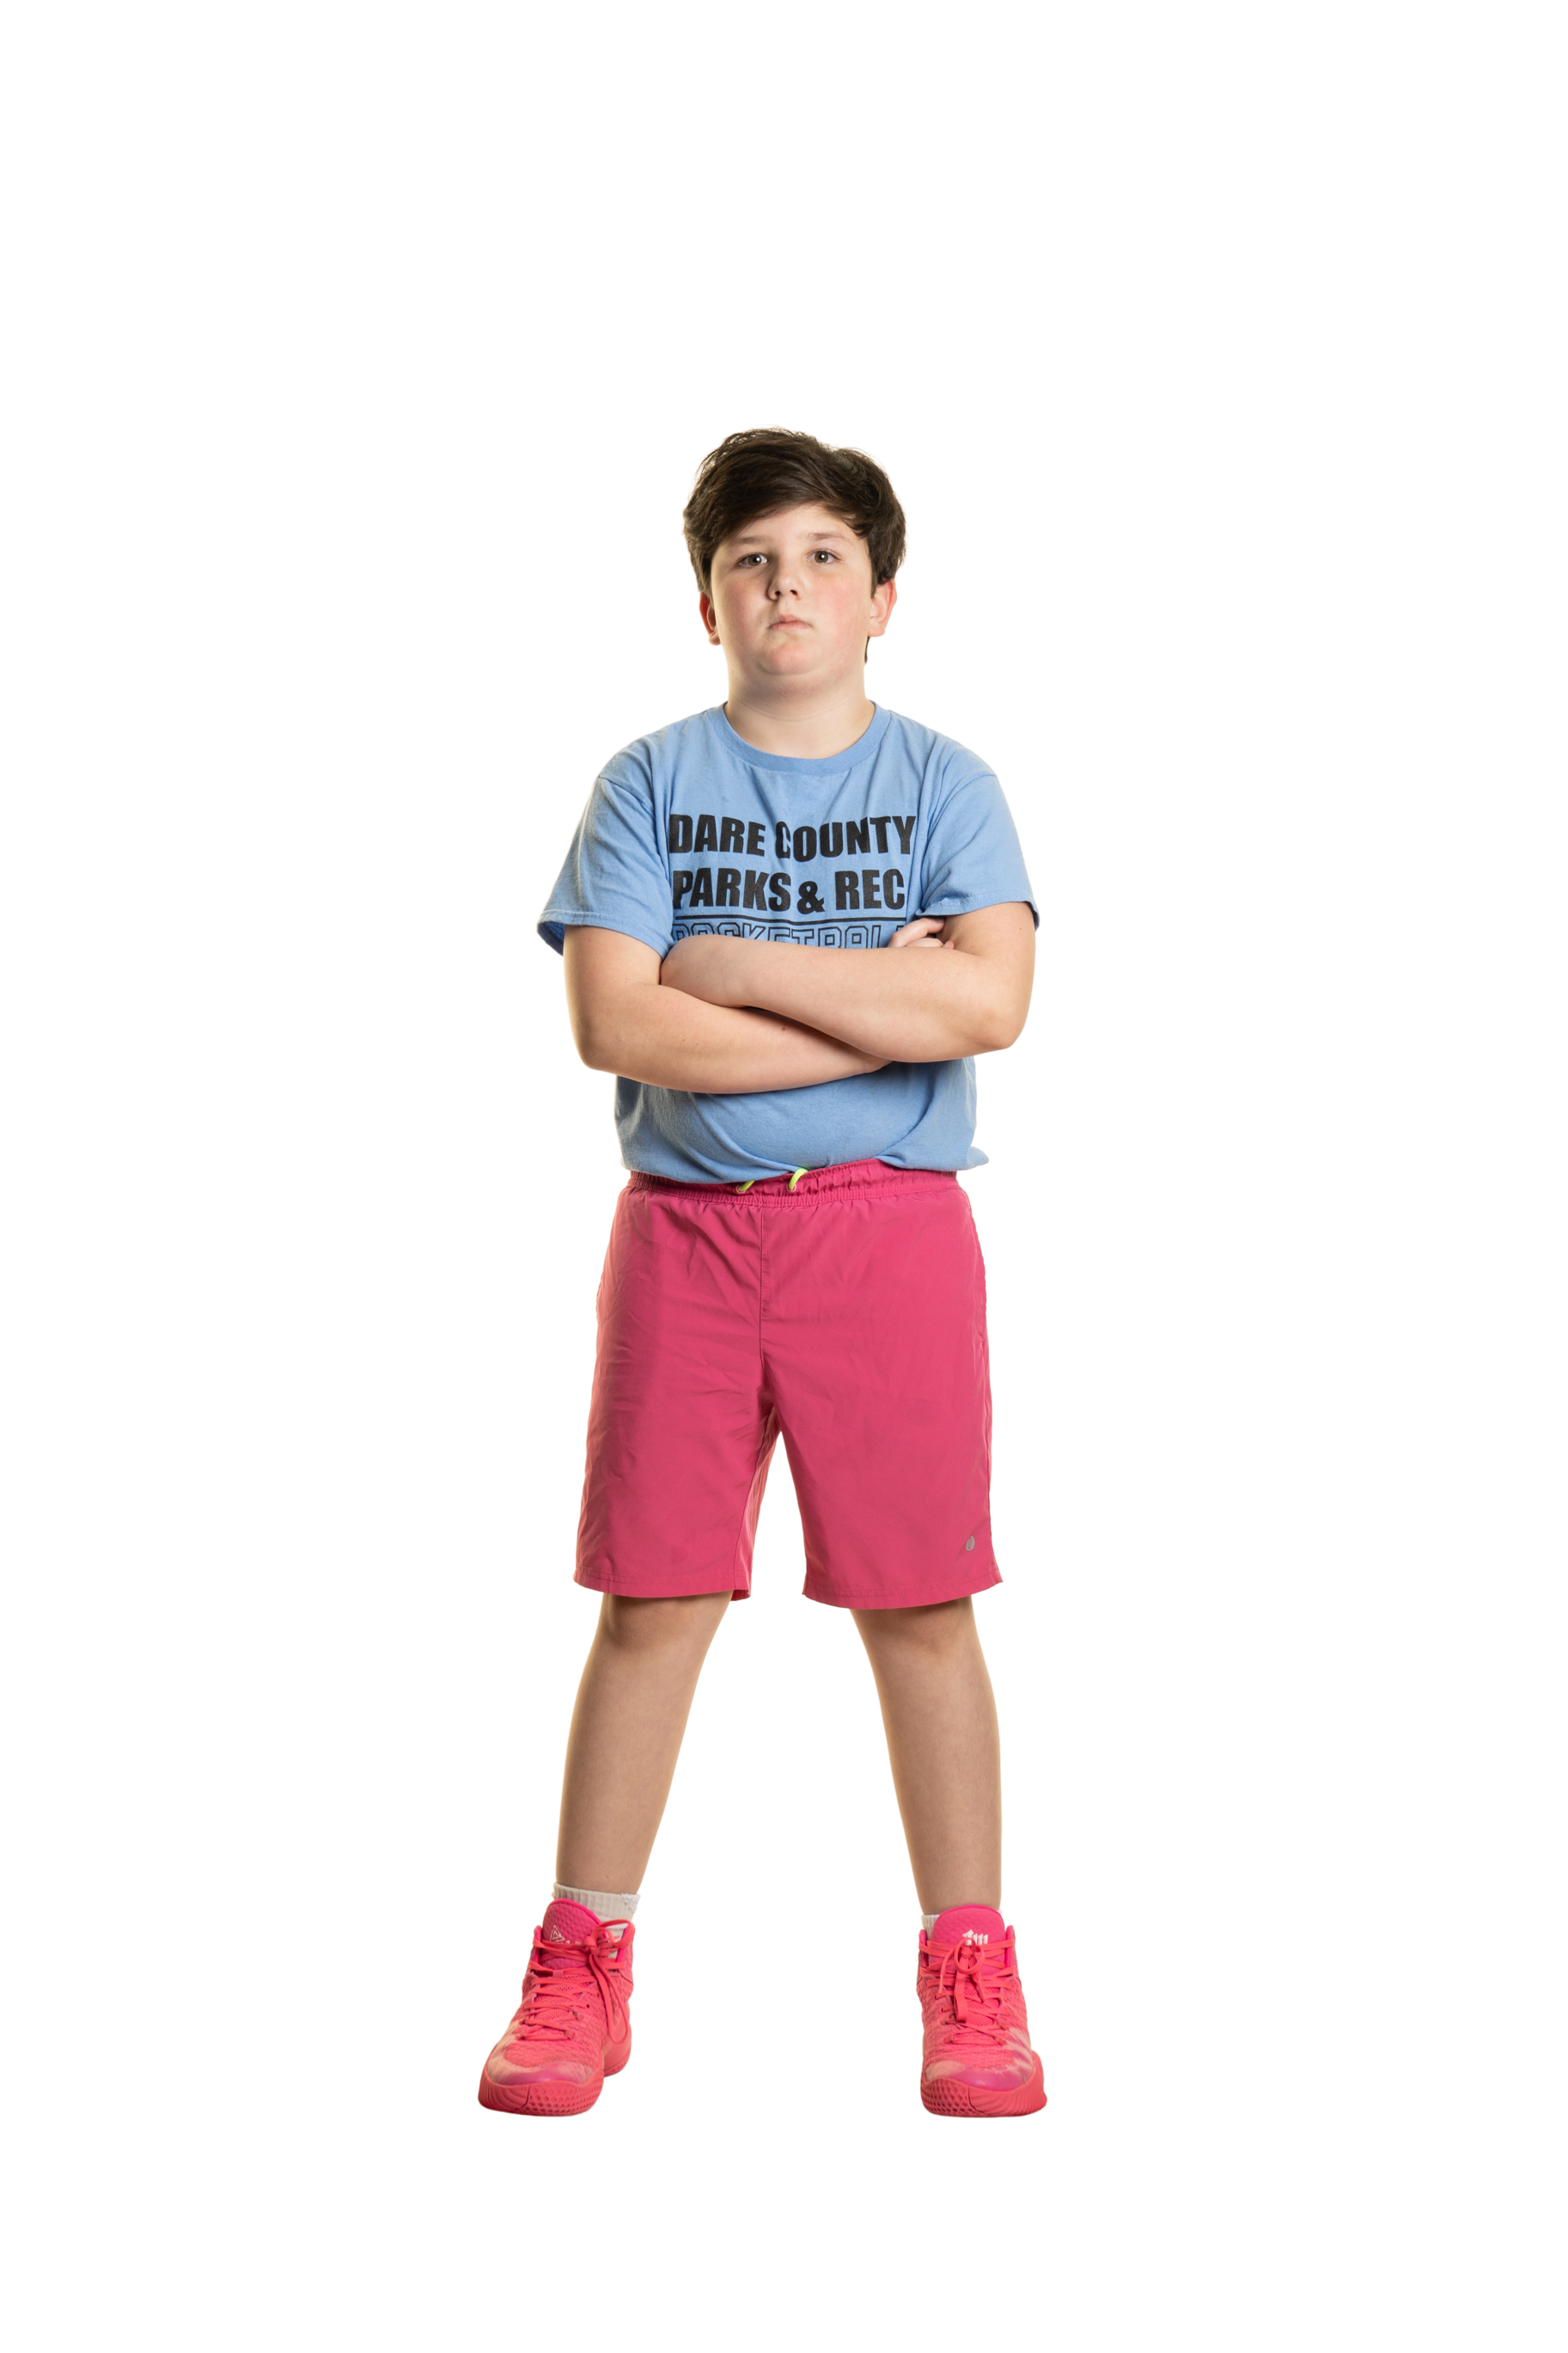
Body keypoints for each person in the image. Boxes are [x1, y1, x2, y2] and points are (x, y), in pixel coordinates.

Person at [478, 424, 1046, 2120]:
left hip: (893, 1230)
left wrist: (723, 960)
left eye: (819, 558)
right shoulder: (645, 783)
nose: (785, 584)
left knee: (921, 1603)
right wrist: (868, 1004)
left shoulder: (947, 784)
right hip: (689, 1235)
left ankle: (971, 1966)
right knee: (651, 1599)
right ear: (706, 602)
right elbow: (615, 1022)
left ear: (880, 597)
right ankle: (582, 1955)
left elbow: (989, 1004)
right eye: (750, 561)